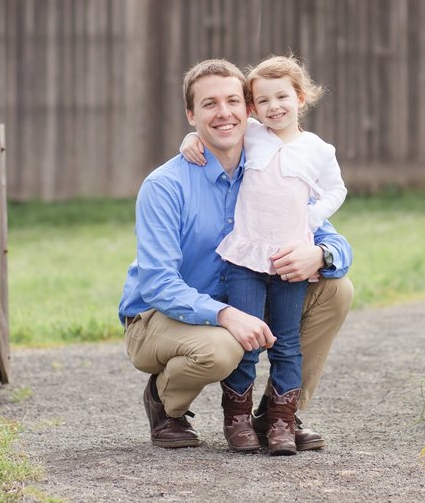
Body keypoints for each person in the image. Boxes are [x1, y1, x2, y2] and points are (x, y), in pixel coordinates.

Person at [118, 58, 353, 452]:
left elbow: (325, 235)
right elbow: (157, 283)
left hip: (244, 300)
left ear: (249, 110)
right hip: (158, 317)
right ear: (191, 115)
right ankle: (165, 404)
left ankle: (280, 413)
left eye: (232, 101)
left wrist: (322, 255)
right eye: (209, 104)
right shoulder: (165, 186)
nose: (223, 112)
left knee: (337, 289)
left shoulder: (267, 167)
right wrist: (225, 315)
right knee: (225, 348)